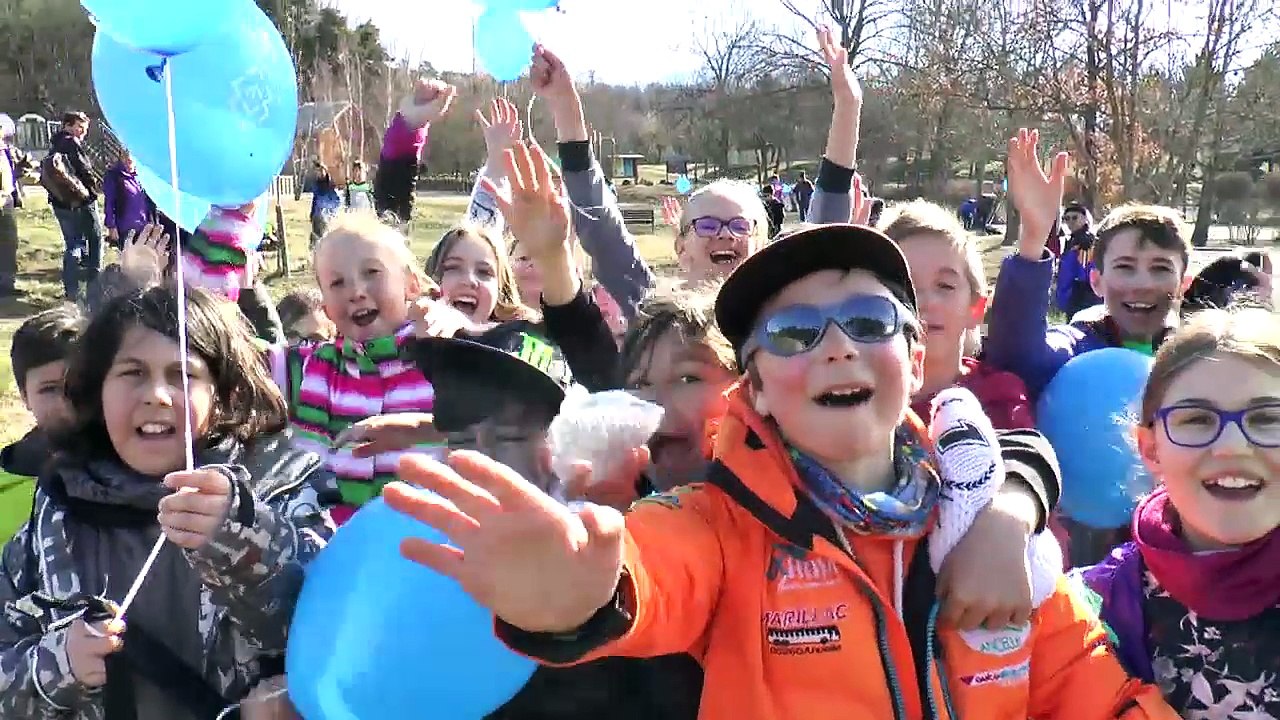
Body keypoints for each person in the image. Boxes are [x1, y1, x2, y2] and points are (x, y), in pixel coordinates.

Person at [385, 223, 1179, 719]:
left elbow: (1088, 690)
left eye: (868, 322)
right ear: (754, 385)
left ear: (913, 355)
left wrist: (1010, 507)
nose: (836, 346)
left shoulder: (981, 509)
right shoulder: (718, 522)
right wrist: (572, 598)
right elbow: (651, 571)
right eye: (795, 334)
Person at [0, 284, 338, 719]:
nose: (156, 395)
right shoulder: (55, 511)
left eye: (183, 376)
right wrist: (55, 666)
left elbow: (329, 627)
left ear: (223, 394)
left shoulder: (279, 489)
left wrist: (239, 538)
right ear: (96, 392)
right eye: (132, 373)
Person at [1072, 307, 1280, 717]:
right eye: (1197, 419)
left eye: (1268, 418)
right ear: (1151, 449)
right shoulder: (1086, 612)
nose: (1232, 447)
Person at [0, 306, 85, 542]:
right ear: (25, 396)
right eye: (49, 389)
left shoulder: (137, 475)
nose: (66, 401)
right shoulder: (7, 486)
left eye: (78, 384)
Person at [46, 111, 103, 303]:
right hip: (81, 201)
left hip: (60, 202)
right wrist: (94, 190)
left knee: (73, 244)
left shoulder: (54, 143)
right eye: (80, 127)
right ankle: (95, 288)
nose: (83, 132)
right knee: (95, 242)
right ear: (67, 125)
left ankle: (71, 291)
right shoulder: (71, 143)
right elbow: (84, 170)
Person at [102, 150, 156, 250]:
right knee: (131, 263)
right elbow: (109, 203)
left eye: (131, 160)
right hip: (126, 229)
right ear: (121, 157)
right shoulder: (114, 176)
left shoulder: (141, 177)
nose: (128, 162)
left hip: (144, 227)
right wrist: (111, 226)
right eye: (125, 158)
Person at [1055, 202, 1101, 317]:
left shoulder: (1089, 241)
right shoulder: (1070, 240)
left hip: (1083, 298)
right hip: (1071, 296)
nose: (1070, 222)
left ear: (1085, 219)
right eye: (1067, 218)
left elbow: (1090, 270)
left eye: (1075, 218)